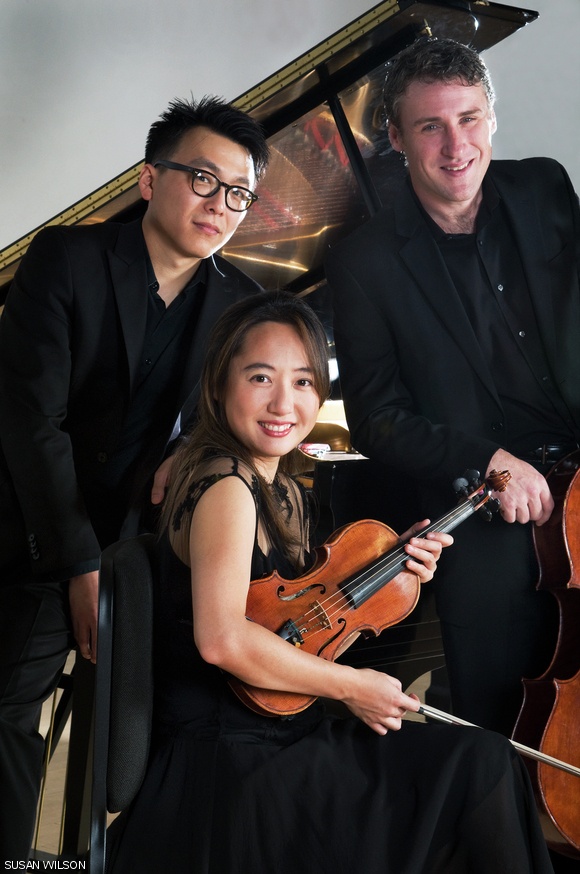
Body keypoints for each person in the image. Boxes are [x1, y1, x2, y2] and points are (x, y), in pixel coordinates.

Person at [105, 290, 553, 874]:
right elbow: (223, 640)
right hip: (233, 770)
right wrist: (349, 686)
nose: (283, 403)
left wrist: (394, 564)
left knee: (477, 762)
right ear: (219, 385)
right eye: (260, 377)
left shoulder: (282, 488)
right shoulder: (226, 487)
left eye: (303, 382)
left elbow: (306, 615)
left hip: (282, 738)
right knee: (477, 771)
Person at [0, 95, 269, 860]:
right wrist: (81, 565)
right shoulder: (68, 259)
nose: (222, 205)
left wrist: (194, 446)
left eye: (240, 193)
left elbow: (237, 417)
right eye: (204, 180)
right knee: (11, 712)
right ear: (151, 181)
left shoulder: (240, 306)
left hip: (138, 553)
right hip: (32, 523)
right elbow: (30, 424)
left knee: (140, 731)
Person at [325, 37, 580, 745]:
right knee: (496, 703)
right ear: (396, 138)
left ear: (492, 118)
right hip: (479, 494)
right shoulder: (363, 261)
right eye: (431, 126)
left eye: (469, 119)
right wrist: (489, 459)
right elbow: (377, 419)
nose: (455, 144)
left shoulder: (545, 189)